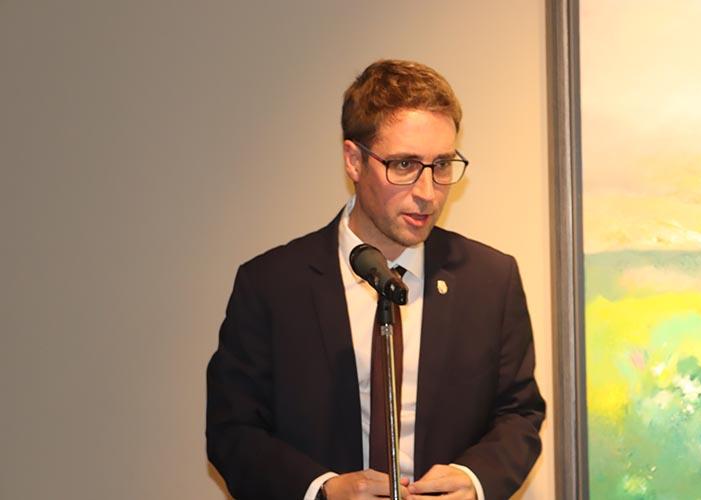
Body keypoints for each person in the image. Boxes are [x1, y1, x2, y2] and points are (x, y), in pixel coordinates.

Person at [206, 59, 545, 500]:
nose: (428, 192)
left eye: (442, 165)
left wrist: (474, 480)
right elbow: (233, 431)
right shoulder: (271, 285)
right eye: (404, 164)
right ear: (353, 160)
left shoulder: (490, 280)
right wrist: (323, 491)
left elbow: (519, 414)